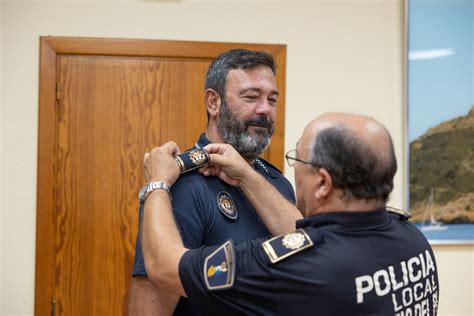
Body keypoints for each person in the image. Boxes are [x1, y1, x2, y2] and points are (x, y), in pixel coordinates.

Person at [140, 113, 439, 315]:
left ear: (322, 183)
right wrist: (247, 175)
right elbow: (305, 235)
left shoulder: (295, 268)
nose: (292, 168)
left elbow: (164, 266)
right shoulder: (412, 240)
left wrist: (157, 182)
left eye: (298, 158)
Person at [129, 49, 296, 315]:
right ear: (213, 103)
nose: (265, 110)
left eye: (272, 100)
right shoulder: (182, 184)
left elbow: (307, 255)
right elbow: (148, 310)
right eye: (251, 97)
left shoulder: (277, 183)